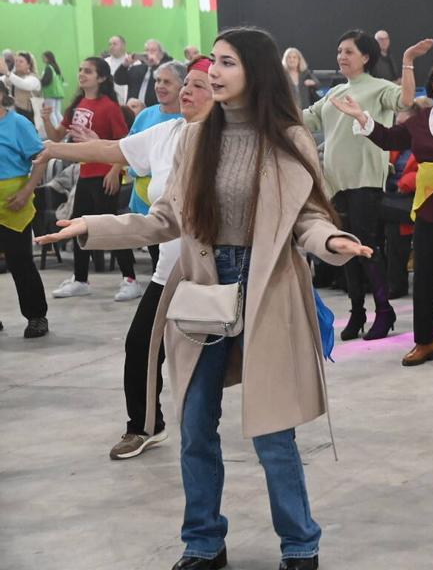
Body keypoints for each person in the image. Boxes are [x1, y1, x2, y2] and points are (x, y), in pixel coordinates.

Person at [37, 28, 369, 570]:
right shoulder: (192, 139)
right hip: (201, 290)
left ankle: (300, 545)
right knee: (194, 425)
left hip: (267, 289)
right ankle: (203, 543)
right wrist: (92, 227)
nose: (212, 71)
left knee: (272, 432)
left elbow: (306, 217)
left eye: (227, 62)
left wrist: (331, 241)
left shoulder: (288, 137)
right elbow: (164, 220)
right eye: (212, 60)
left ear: (255, 72)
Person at [37, 58, 215, 459]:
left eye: (198, 85)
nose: (186, 90)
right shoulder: (167, 132)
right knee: (141, 346)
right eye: (183, 83)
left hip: (219, 269)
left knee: (219, 356)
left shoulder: (228, 140)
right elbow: (111, 148)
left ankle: (269, 431)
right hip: (171, 267)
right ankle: (145, 426)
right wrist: (53, 149)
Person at [332, 50, 433, 368]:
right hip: (428, 208)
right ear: (431, 84)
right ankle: (425, 341)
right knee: (424, 276)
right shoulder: (422, 120)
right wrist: (362, 118)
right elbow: (390, 137)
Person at [302, 30, 410, 341]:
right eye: (339, 51)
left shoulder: (379, 89)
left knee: (366, 246)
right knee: (345, 249)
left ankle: (384, 310)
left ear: (366, 56)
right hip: (335, 182)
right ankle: (358, 311)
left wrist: (408, 64)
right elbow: (306, 120)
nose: (341, 56)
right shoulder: (334, 93)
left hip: (366, 179)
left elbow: (404, 100)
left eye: (348, 51)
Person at [42, 58, 139, 302]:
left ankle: (130, 279)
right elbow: (56, 135)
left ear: (102, 78)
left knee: (111, 228)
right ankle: (80, 279)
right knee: (77, 226)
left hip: (104, 175)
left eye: (88, 71)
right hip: (84, 174)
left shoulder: (109, 107)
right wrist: (45, 118)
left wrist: (115, 170)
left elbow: (124, 143)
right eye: (80, 70)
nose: (82, 74)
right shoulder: (76, 105)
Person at [122, 62, 187, 274]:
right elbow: (129, 152)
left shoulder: (187, 120)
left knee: (177, 265)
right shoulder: (145, 115)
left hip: (175, 202)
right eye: (158, 81)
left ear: (182, 86)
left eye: (167, 82)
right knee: (156, 262)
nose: (160, 86)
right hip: (143, 199)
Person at [0, 96, 48, 337]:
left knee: (19, 261)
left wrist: (26, 190)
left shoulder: (18, 123)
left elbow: (40, 158)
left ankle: (37, 316)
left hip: (14, 203)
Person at [116, 39, 172, 106]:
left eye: (153, 50)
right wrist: (124, 65)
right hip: (133, 110)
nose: (149, 53)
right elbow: (119, 80)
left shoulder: (167, 68)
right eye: (147, 50)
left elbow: (162, 79)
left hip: (154, 109)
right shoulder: (136, 68)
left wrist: (155, 64)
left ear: (161, 54)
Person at [0, 51, 41, 122]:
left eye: (21, 61)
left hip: (31, 117)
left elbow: (24, 84)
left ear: (29, 65)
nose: (17, 63)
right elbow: (2, 79)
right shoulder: (12, 77)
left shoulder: (34, 79)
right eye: (16, 61)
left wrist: (7, 72)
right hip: (16, 115)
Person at [40, 50, 65, 123]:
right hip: (58, 93)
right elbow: (62, 80)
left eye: (43, 57)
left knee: (51, 113)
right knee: (57, 112)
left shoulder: (48, 68)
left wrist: (39, 81)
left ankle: (56, 130)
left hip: (50, 93)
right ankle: (63, 130)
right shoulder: (56, 68)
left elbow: (46, 80)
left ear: (48, 58)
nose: (42, 59)